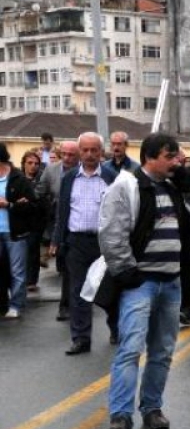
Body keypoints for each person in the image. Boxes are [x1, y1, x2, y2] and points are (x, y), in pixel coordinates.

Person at [98, 133, 190, 429]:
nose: (176, 161)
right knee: (130, 349)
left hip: (171, 282)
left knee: (161, 351)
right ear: (150, 157)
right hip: (140, 283)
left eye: (177, 155)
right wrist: (127, 273)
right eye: (169, 155)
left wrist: (189, 182)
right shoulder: (127, 186)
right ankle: (120, 415)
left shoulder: (177, 187)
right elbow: (111, 233)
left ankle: (152, 408)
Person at [52, 133, 120, 354]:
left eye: (94, 150)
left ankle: (116, 327)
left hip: (104, 243)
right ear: (80, 152)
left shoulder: (111, 177)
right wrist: (57, 240)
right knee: (78, 291)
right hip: (77, 242)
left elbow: (121, 211)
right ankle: (81, 338)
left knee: (109, 290)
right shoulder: (69, 178)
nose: (90, 155)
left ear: (101, 152)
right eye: (85, 150)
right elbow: (62, 211)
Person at [38, 140, 79, 321]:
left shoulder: (85, 171)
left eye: (72, 155)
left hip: (80, 226)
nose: (68, 158)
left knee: (80, 270)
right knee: (66, 269)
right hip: (59, 223)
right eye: (65, 154)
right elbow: (40, 191)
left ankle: (81, 304)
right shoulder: (51, 170)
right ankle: (65, 307)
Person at [0, 143, 37, 319]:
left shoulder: (18, 178)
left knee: (17, 271)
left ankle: (16, 304)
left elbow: (32, 205)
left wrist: (9, 204)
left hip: (14, 232)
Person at [20, 151, 45, 295]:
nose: (33, 166)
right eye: (30, 163)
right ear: (24, 164)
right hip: (19, 222)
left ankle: (31, 281)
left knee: (33, 250)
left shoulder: (41, 180)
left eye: (36, 164)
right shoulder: (17, 179)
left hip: (35, 221)